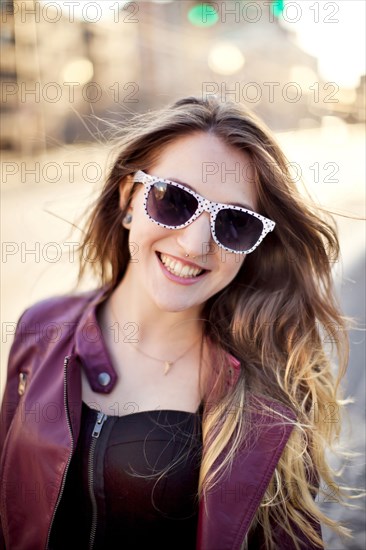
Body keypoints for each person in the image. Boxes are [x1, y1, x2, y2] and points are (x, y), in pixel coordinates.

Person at [0, 95, 354, 549]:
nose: (194, 244)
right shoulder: (40, 327)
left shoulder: (275, 387)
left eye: (234, 223)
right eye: (174, 200)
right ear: (129, 197)